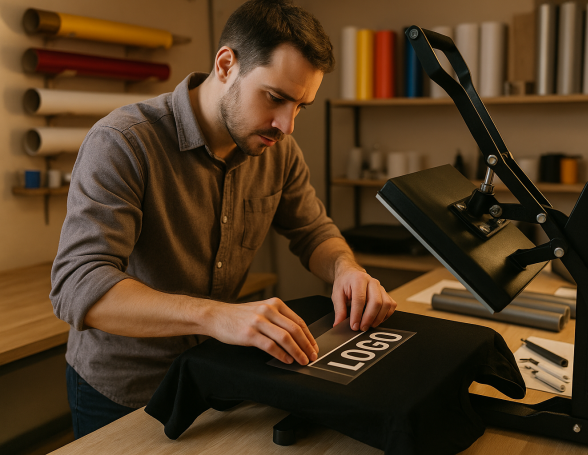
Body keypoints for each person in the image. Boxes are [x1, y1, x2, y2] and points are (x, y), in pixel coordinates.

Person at [50, 0, 397, 439]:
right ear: (226, 65)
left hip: (215, 373)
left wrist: (346, 269)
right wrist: (216, 316)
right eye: (275, 98)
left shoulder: (279, 150)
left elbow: (313, 232)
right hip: (124, 388)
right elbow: (77, 285)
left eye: (301, 106)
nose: (287, 125)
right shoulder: (123, 142)